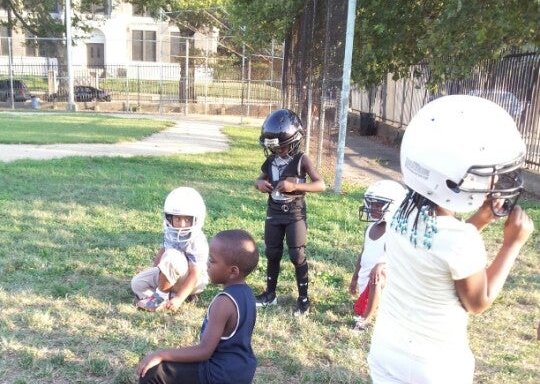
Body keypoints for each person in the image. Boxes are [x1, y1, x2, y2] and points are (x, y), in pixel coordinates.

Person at [367, 95, 534, 383]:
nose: (494, 182)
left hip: (386, 351)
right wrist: (512, 244)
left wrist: (478, 221)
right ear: (454, 180)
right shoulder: (460, 241)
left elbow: (436, 247)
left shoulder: (400, 215)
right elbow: (478, 302)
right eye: (488, 174)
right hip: (436, 366)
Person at [137, 229, 259, 384]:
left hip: (220, 374)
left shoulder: (223, 302)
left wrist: (161, 354)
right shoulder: (247, 294)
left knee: (153, 373)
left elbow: (204, 352)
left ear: (233, 271)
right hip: (242, 370)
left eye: (212, 261)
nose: (207, 264)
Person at [254, 108, 326, 315]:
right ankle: (270, 294)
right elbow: (259, 179)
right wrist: (259, 183)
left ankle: (303, 299)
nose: (279, 152)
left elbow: (320, 185)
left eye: (283, 147)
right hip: (274, 212)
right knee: (272, 252)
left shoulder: (302, 159)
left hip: (294, 213)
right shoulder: (270, 161)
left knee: (297, 254)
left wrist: (296, 187)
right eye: (275, 148)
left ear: (295, 140)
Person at [131, 187, 209, 312]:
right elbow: (164, 251)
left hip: (193, 280)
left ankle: (160, 298)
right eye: (178, 218)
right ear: (169, 218)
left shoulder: (197, 241)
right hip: (172, 272)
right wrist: (155, 270)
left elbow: (195, 274)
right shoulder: (170, 232)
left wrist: (179, 298)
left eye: (187, 219)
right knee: (137, 283)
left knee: (172, 256)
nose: (182, 224)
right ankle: (167, 298)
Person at [349, 180, 406, 331]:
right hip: (365, 280)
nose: (373, 208)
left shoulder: (394, 230)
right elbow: (363, 253)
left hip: (383, 282)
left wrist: (380, 265)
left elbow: (395, 255)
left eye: (379, 204)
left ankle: (364, 321)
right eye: (372, 203)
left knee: (379, 274)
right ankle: (371, 307)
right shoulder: (370, 228)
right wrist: (354, 278)